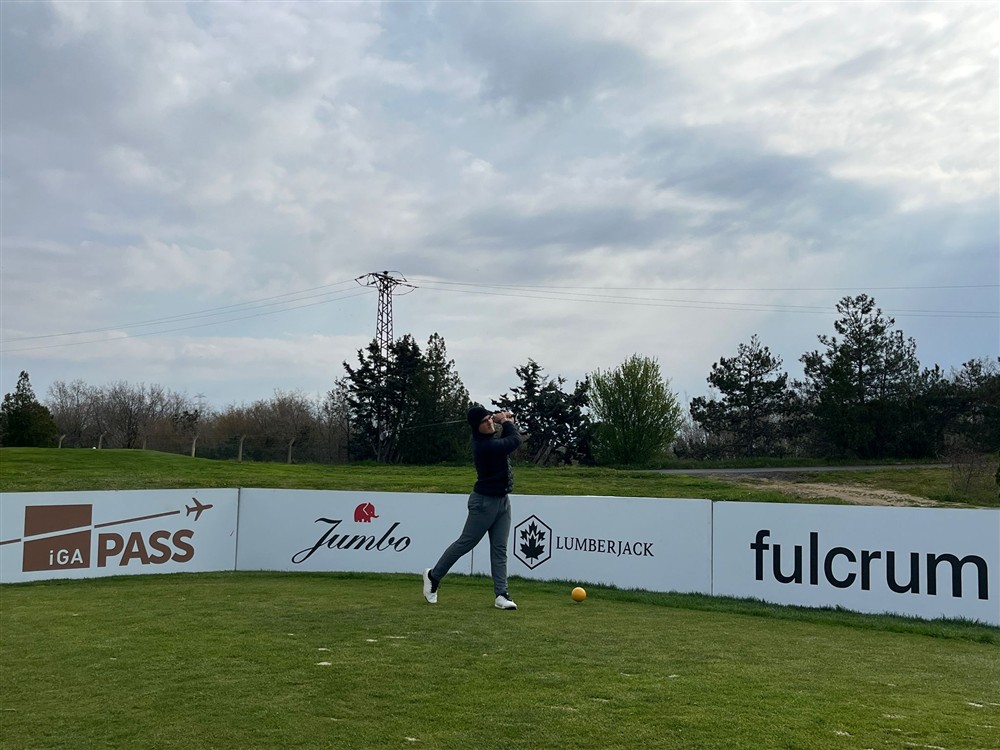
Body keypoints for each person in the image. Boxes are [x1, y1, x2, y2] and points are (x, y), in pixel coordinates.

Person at [423, 405, 522, 610]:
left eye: (489, 418)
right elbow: (514, 441)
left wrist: (505, 421)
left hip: (502, 501)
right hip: (483, 503)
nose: (489, 423)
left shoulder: (491, 440)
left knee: (500, 549)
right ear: (477, 428)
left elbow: (508, 439)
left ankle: (501, 594)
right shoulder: (483, 446)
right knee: (466, 543)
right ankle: (434, 576)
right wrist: (505, 421)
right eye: (484, 422)